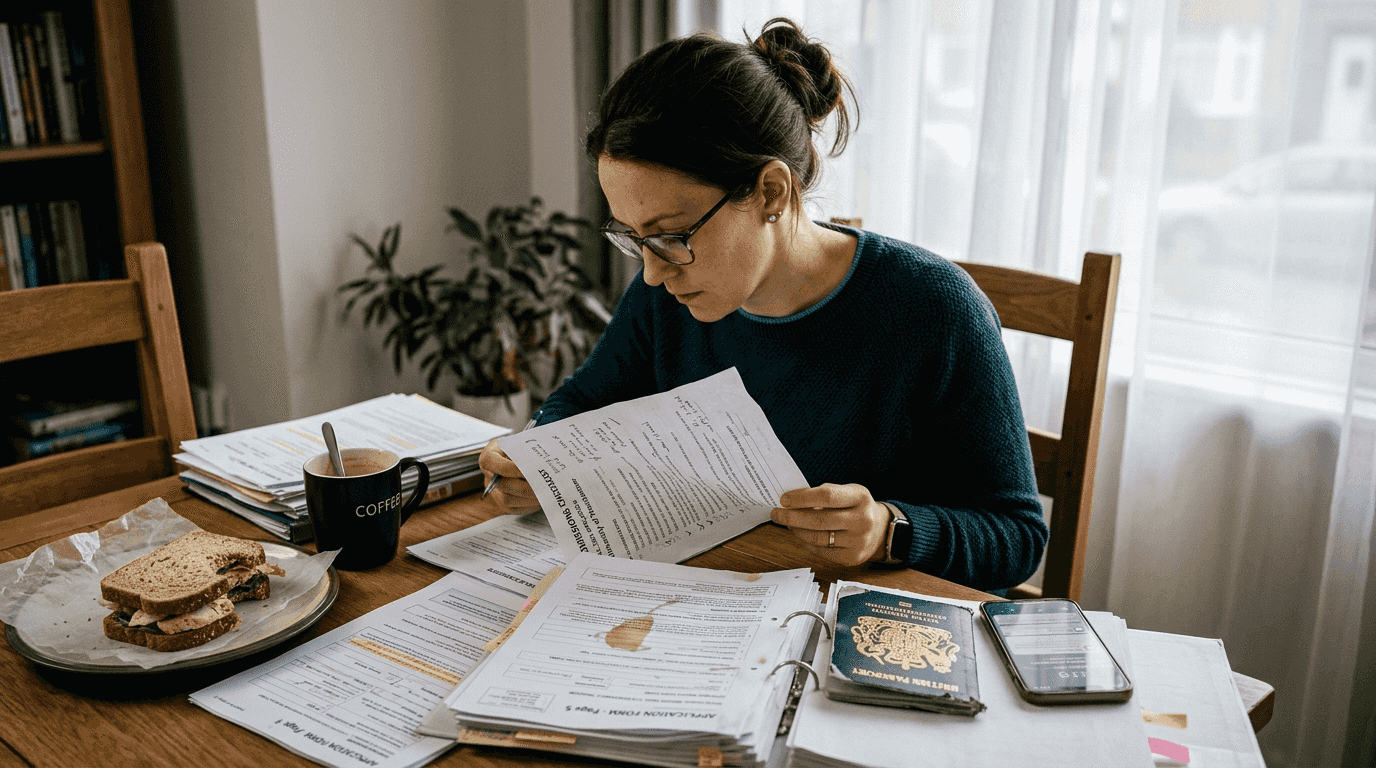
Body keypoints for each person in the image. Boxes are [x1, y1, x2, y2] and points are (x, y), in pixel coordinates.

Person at [479, 18, 1046, 592]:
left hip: (869, 627)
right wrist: (535, 451)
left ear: (770, 191)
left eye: (672, 236)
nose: (650, 272)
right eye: (631, 236)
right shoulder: (669, 294)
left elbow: (1016, 537)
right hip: (717, 599)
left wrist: (888, 530)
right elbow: (586, 398)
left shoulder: (935, 311)